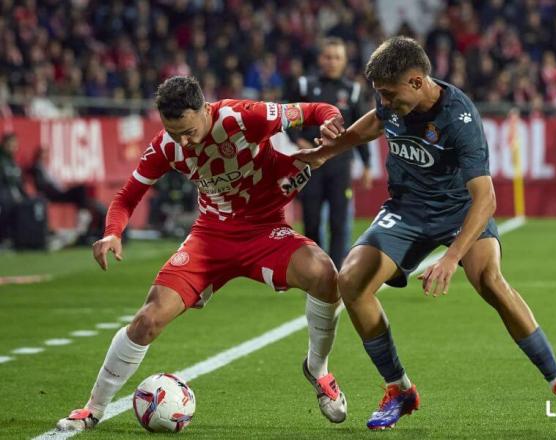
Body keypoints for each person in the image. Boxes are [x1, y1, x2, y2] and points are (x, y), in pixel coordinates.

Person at [296, 36, 556, 430]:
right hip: (407, 209)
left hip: (460, 211)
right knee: (351, 281)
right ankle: (399, 390)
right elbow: (374, 123)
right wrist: (326, 151)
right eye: (380, 94)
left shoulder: (459, 119)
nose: (384, 101)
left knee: (489, 279)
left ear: (418, 82)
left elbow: (485, 199)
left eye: (389, 94)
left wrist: (452, 257)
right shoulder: (390, 98)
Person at [56, 76, 348, 431]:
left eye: (189, 131)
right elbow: (126, 196)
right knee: (147, 320)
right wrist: (112, 233)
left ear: (205, 109)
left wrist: (332, 119)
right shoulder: (167, 145)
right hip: (211, 236)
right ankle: (93, 408)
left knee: (326, 276)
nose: (183, 140)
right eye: (173, 131)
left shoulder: (244, 117)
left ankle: (318, 369)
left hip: (265, 230)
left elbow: (315, 111)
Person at [287, 37, 372, 268]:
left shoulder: (353, 91)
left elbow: (362, 129)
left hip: (340, 164)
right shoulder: (304, 86)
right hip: (311, 165)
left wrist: (366, 165)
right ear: (319, 59)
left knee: (339, 222)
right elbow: (288, 119)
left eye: (337, 57)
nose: (332, 62)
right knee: (311, 220)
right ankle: (316, 269)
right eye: (328, 57)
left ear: (344, 61)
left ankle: (335, 272)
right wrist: (299, 141)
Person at [28, 146, 107, 245]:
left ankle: (85, 216)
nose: (45, 156)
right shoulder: (37, 168)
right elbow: (41, 184)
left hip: (58, 191)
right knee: (81, 189)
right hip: (53, 194)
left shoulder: (46, 167)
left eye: (46, 154)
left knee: (82, 193)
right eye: (43, 154)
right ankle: (83, 217)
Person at [0, 133, 27, 247]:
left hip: (14, 197)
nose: (14, 147)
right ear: (4, 144)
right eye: (11, 144)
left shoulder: (13, 162)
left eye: (15, 144)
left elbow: (19, 185)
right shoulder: (2, 161)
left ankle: (20, 238)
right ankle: (4, 238)